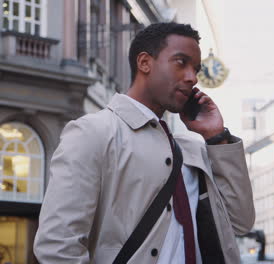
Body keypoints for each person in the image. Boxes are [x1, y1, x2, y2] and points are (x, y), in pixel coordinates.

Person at [33, 22, 255, 263]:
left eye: (196, 69)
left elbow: (239, 222)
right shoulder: (92, 133)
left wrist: (217, 137)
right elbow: (57, 245)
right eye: (181, 63)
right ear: (144, 63)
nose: (192, 78)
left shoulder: (193, 150)